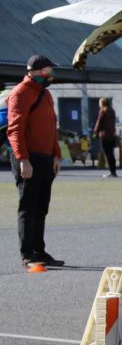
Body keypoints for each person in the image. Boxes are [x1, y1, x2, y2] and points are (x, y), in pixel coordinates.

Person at [8, 55, 64, 268]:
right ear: (39, 71)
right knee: (28, 208)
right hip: (29, 157)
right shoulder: (21, 93)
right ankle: (27, 255)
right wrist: (23, 159)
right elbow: (15, 130)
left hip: (46, 158)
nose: (51, 74)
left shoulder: (45, 94)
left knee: (41, 208)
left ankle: (39, 251)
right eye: (50, 69)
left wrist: (56, 155)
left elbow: (52, 127)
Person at [93, 96, 118, 178]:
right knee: (111, 153)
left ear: (102, 103)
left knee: (107, 154)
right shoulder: (112, 110)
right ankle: (114, 171)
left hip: (104, 134)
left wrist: (95, 131)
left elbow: (99, 122)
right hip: (112, 134)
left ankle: (111, 172)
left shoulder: (103, 111)